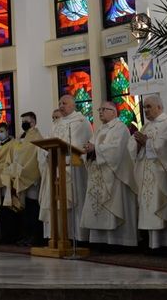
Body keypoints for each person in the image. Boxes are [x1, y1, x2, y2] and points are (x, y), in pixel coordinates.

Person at [81, 101, 139, 248]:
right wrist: (88, 149)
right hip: (98, 174)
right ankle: (100, 241)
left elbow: (116, 150)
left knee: (113, 207)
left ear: (114, 112)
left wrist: (96, 149)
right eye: (99, 109)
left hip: (114, 175)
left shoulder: (120, 128)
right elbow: (92, 146)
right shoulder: (100, 130)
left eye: (104, 109)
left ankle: (117, 241)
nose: (100, 112)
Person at [40, 96, 92, 243]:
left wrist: (63, 155)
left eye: (64, 103)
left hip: (72, 168)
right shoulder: (57, 123)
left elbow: (79, 145)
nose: (61, 106)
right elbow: (49, 141)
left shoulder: (81, 122)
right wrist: (46, 153)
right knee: (56, 201)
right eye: (59, 104)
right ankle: (58, 236)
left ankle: (76, 237)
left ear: (73, 105)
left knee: (73, 201)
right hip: (56, 168)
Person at [134, 94, 167, 251]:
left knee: (161, 206)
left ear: (159, 107)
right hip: (147, 173)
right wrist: (138, 145)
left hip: (162, 174)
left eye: (149, 106)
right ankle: (153, 244)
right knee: (149, 207)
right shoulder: (146, 127)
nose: (146, 110)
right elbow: (133, 149)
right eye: (144, 107)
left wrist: (146, 142)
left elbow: (166, 147)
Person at [13, 112, 44, 246]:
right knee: (24, 210)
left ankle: (35, 237)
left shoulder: (37, 136)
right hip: (21, 175)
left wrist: (24, 171)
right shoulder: (21, 136)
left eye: (26, 121)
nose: (23, 124)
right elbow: (17, 154)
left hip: (31, 177)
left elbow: (33, 157)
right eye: (22, 121)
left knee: (33, 208)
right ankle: (25, 236)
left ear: (33, 122)